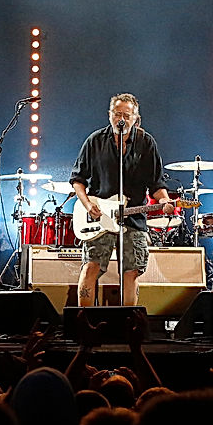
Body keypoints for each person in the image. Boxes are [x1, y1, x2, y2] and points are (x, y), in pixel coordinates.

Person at [70, 93, 174, 307]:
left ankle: (129, 321)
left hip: (132, 217)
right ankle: (84, 321)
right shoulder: (95, 141)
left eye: (127, 115)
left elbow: (156, 183)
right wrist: (88, 205)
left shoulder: (146, 143)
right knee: (91, 266)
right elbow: (77, 180)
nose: (122, 119)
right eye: (118, 114)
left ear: (136, 118)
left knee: (132, 271)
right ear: (109, 115)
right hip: (99, 217)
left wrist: (165, 201)